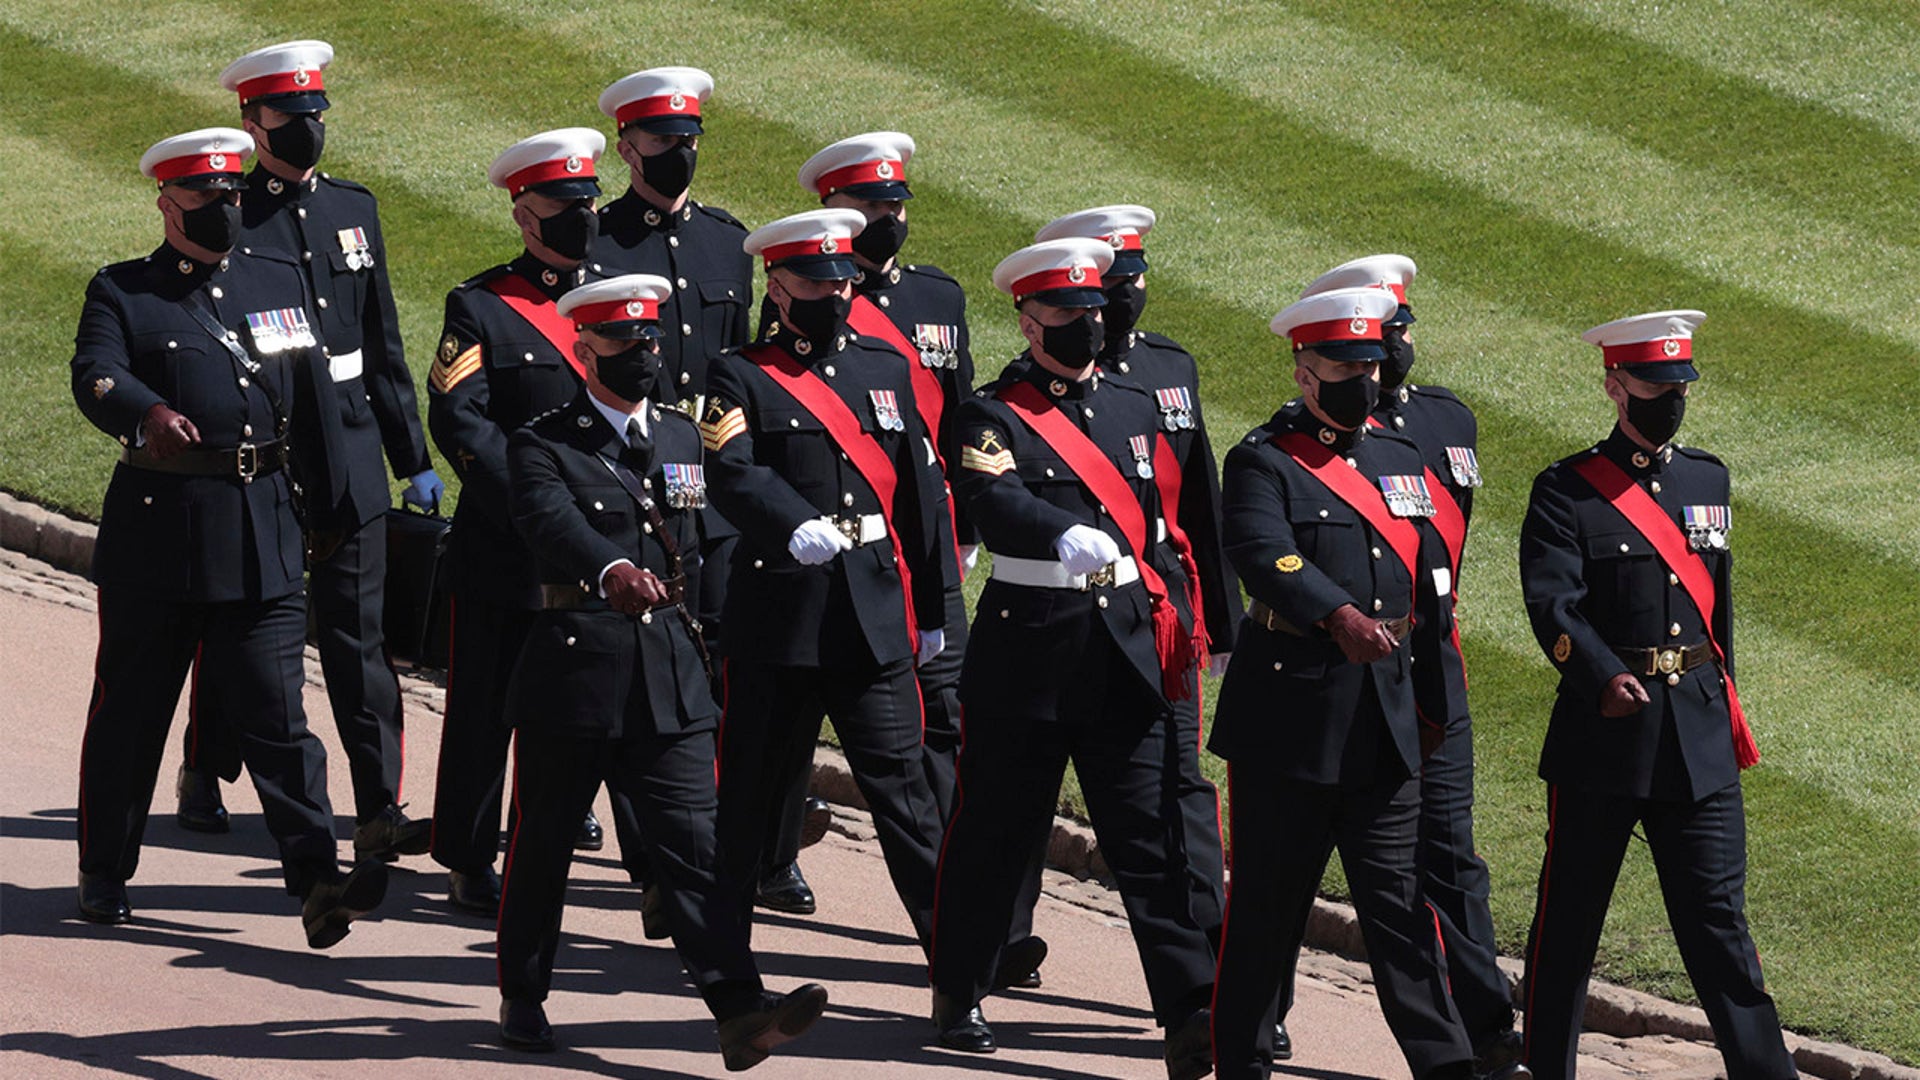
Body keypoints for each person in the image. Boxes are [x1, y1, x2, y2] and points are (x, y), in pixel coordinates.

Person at [493, 274, 827, 1067]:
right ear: (584, 350)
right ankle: (522, 992)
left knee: (697, 852)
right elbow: (551, 523)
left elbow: (708, 549)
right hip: (575, 673)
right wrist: (610, 567)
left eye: (649, 339)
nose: (641, 352)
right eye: (621, 341)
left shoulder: (683, 439)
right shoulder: (543, 442)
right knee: (542, 848)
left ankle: (740, 1009)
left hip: (670, 677)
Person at [70, 127, 386, 947]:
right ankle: (105, 869)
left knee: (280, 715)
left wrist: (329, 511)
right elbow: (95, 374)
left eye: (229, 195)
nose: (222, 208)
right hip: (161, 538)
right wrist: (144, 413)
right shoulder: (125, 292)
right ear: (167, 205)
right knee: (132, 714)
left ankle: (316, 878)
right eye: (204, 199)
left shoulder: (275, 280)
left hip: (264, 528)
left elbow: (311, 399)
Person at [928, 238, 1215, 1080]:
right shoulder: (993, 414)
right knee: (995, 833)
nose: (1087, 323)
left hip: (1124, 651)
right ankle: (960, 990)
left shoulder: (1131, 407)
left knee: (1151, 837)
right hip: (1030, 652)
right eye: (1066, 313)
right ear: (1027, 319)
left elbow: (1169, 521)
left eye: (1093, 310)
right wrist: (1060, 531)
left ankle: (1190, 1007)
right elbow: (994, 499)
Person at [1209, 287, 1514, 1080]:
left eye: (1371, 365)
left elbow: (1431, 590)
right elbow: (1262, 553)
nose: (1363, 381)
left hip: (1384, 722)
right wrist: (1336, 614)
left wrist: (1437, 707)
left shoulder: (1399, 459)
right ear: (1305, 371)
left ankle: (1444, 1063)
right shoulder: (1262, 460)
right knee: (1268, 913)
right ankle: (1240, 1059)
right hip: (1292, 722)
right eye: (1345, 366)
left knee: (1401, 908)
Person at [173, 40, 443, 861]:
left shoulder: (353, 209)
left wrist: (412, 456)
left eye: (314, 116)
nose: (306, 131)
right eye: (289, 119)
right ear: (253, 122)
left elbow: (381, 341)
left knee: (360, 640)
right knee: (255, 634)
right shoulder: (231, 215)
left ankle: (378, 807)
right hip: (275, 461)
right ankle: (204, 766)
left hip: (354, 455)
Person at [1517, 310, 1792, 1080]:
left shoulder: (1708, 478)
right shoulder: (1566, 491)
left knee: (1718, 922)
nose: (1670, 399)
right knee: (1569, 922)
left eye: (1679, 386)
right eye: (1653, 384)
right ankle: (1546, 1070)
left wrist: (1723, 700)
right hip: (1605, 735)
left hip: (1697, 733)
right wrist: (1602, 673)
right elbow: (1553, 605)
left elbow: (1717, 608)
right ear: (1615, 386)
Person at [700, 208, 951, 957]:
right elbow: (731, 472)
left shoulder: (884, 368)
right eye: (815, 280)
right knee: (748, 793)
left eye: (842, 279)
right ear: (777, 287)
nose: (835, 294)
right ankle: (722, 952)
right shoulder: (738, 373)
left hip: (869, 612)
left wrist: (933, 605)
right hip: (780, 614)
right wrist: (787, 520)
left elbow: (920, 494)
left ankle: (956, 964)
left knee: (906, 793)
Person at [751, 131, 977, 916]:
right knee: (792, 724)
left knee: (943, 717)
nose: (886, 218)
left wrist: (964, 528)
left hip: (924, 541)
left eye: (894, 204)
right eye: (868, 205)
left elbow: (957, 417)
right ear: (831, 210)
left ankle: (964, 903)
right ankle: (767, 860)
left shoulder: (938, 297)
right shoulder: (803, 302)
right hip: (831, 546)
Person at [1030, 205, 1238, 988]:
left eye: (1133, 279)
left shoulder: (1169, 368)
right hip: (1070, 620)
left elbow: (1201, 507)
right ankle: (1002, 939)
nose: (1125, 296)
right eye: (1108, 285)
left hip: (1164, 619)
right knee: (1027, 790)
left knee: (1178, 787)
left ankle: (1211, 966)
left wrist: (1218, 622)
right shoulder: (1036, 383)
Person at [425, 128, 605, 915]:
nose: (581, 219)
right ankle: (468, 853)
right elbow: (459, 418)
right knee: (483, 711)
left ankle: (559, 844)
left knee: (587, 708)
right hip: (505, 546)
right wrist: (535, 502)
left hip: (593, 544)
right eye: (564, 207)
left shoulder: (613, 300)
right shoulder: (482, 306)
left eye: (587, 203)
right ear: (526, 216)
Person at [589, 65, 755, 888]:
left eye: (689, 140)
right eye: (662, 141)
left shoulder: (730, 241)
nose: (679, 153)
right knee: (639, 661)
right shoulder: (596, 241)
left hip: (713, 486)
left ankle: (725, 841)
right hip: (630, 476)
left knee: (717, 655)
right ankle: (658, 858)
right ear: (627, 146)